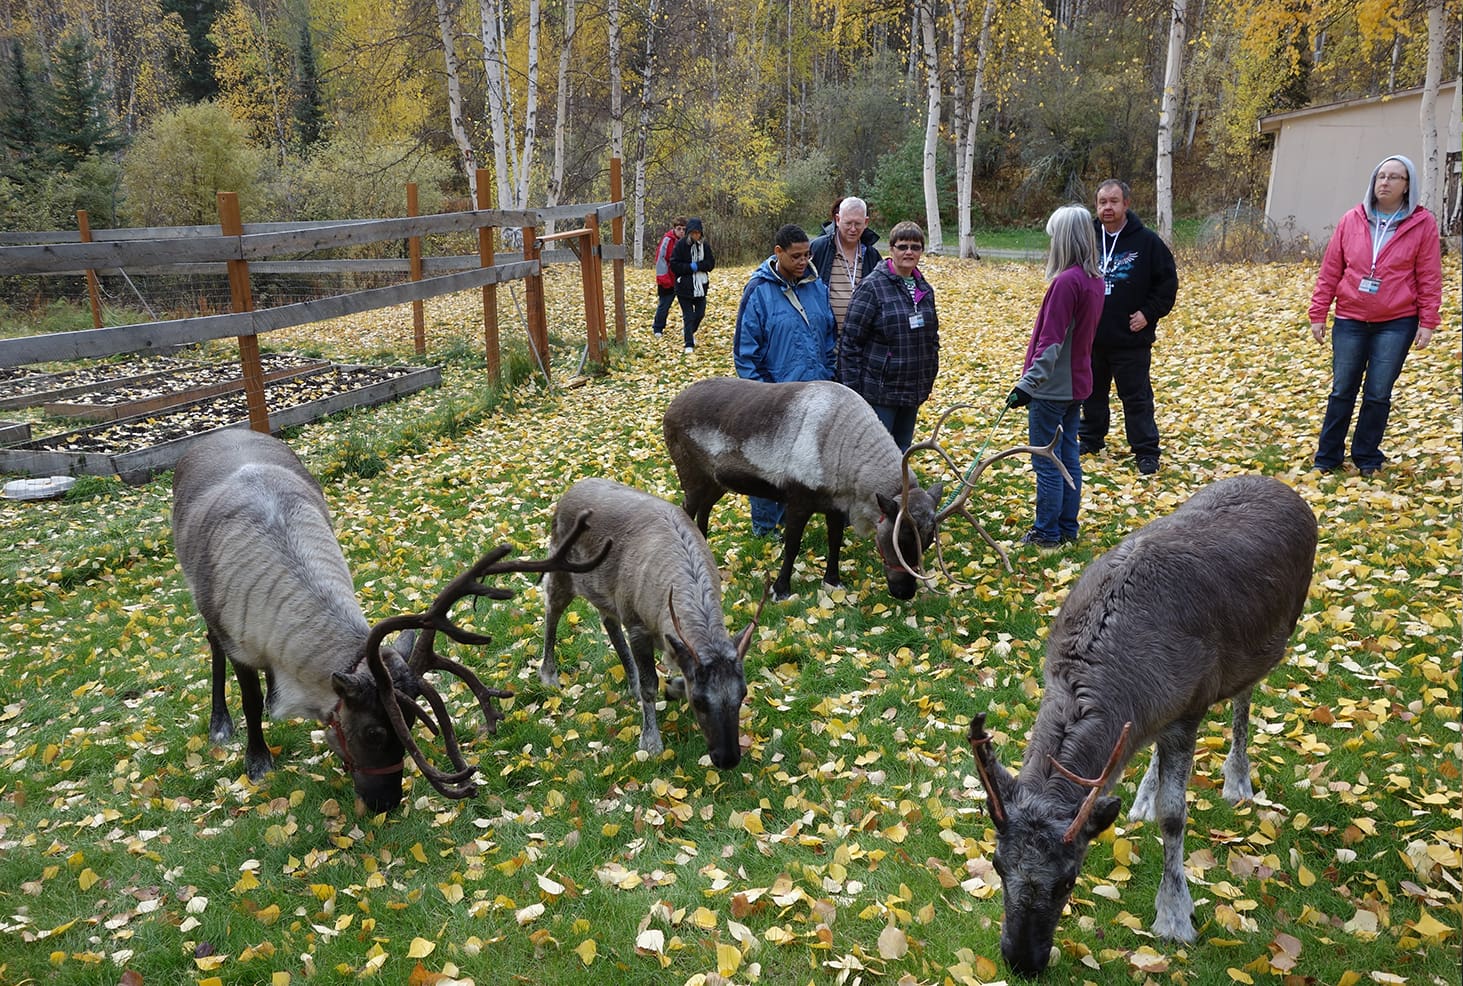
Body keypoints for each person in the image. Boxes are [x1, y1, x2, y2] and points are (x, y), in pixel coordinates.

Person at [1309, 155, 1442, 478]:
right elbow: (1331, 270)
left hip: (1397, 321)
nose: (1385, 182)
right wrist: (1318, 311)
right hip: (1351, 318)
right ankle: (1327, 457)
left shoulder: (1422, 224)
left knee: (1378, 392)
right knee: (1342, 388)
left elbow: (1428, 275)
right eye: (1381, 176)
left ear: (1407, 185)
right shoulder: (1352, 219)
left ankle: (1367, 455)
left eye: (1394, 177)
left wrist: (1427, 321)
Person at [1006, 204, 1105, 549]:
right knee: (1068, 457)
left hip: (1052, 389)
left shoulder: (1066, 283)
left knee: (1047, 460)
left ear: (1064, 239)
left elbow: (1051, 342)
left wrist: (1026, 385)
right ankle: (1067, 527)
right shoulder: (1094, 280)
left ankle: (1047, 532)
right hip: (1077, 385)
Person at [733, 223, 837, 535]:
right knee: (768, 467)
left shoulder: (817, 286)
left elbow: (828, 336)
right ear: (778, 253)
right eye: (796, 256)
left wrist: (828, 375)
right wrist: (763, 395)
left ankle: (791, 519)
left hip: (814, 393)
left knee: (801, 463)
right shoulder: (759, 292)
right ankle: (764, 529)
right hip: (774, 397)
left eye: (807, 254)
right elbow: (745, 352)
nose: (803, 261)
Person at [1078, 179, 1178, 475]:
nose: (1107, 208)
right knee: (1091, 393)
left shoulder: (1146, 242)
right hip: (1092, 337)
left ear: (1126, 204)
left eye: (1114, 201)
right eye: (1102, 202)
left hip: (1130, 339)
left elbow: (1167, 284)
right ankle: (1091, 439)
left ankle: (1146, 450)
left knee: (1136, 398)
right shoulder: (1087, 239)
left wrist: (1148, 314)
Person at [836, 220, 939, 452]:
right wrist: (854, 393)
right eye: (903, 246)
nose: (909, 252)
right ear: (891, 249)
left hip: (912, 390)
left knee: (902, 450)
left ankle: (900, 490)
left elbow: (932, 339)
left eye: (915, 247)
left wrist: (928, 376)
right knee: (875, 454)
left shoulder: (925, 289)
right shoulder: (872, 287)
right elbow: (850, 343)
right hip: (879, 393)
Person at [810, 196, 882, 335]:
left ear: (866, 222)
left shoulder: (872, 256)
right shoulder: (818, 249)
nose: (853, 229)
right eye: (848, 223)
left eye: (858, 224)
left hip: (860, 342)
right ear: (837, 220)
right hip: (825, 340)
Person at [669, 217, 715, 353]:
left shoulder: (705, 246)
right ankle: (688, 343)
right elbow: (674, 264)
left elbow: (710, 263)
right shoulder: (681, 245)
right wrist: (689, 267)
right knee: (688, 315)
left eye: (698, 233)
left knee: (700, 313)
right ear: (689, 232)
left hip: (701, 286)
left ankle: (689, 331)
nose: (696, 235)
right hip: (684, 287)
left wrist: (699, 266)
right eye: (693, 232)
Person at [652, 216, 686, 338]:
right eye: (679, 229)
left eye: (683, 229)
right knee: (664, 305)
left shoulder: (687, 242)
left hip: (682, 279)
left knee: (686, 307)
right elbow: (660, 259)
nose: (681, 231)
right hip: (668, 279)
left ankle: (687, 329)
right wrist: (663, 278)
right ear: (674, 229)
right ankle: (658, 328)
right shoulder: (668, 240)